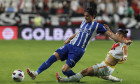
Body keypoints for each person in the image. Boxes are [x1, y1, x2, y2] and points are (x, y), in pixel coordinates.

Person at [27, 7, 132, 80]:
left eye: (87, 16)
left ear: (93, 16)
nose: (85, 17)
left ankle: (76, 78)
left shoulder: (98, 26)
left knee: (64, 70)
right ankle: (35, 73)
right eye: (84, 15)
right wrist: (70, 38)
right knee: (52, 58)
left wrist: (125, 41)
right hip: (69, 45)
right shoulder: (83, 21)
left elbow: (113, 36)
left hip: (78, 50)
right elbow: (79, 32)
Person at [56, 29, 131, 82]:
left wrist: (124, 57)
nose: (115, 35)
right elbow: (113, 37)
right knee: (102, 75)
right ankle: (116, 79)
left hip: (106, 66)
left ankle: (63, 80)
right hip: (108, 67)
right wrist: (108, 30)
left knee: (84, 72)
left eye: (117, 34)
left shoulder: (124, 44)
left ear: (121, 36)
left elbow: (125, 52)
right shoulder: (119, 42)